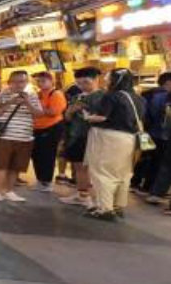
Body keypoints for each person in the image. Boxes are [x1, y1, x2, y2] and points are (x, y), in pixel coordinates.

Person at [82, 68, 145, 221]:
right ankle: (117, 206)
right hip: (129, 140)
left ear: (116, 80)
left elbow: (102, 117)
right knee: (123, 174)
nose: (105, 80)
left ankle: (105, 209)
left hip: (108, 139)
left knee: (102, 173)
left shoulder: (112, 96)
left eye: (108, 77)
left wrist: (87, 116)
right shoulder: (138, 98)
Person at [0, 71, 44, 202]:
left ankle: (9, 191)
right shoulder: (2, 95)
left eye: (22, 81)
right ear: (9, 82)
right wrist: (10, 102)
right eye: (15, 81)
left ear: (27, 83)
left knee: (15, 166)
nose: (18, 84)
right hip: (4, 136)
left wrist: (27, 102)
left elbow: (39, 114)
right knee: (0, 165)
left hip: (24, 136)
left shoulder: (32, 96)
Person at [59, 68, 105, 208]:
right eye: (79, 83)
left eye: (86, 82)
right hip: (75, 136)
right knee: (79, 167)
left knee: (91, 168)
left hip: (94, 136)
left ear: (96, 79)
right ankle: (82, 195)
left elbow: (106, 118)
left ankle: (92, 198)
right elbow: (67, 118)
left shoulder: (104, 97)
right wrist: (70, 111)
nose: (82, 86)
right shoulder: (76, 97)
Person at [30, 71, 68, 192]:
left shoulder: (56, 94)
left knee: (47, 155)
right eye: (38, 81)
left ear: (51, 82)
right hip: (37, 128)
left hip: (51, 128)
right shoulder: (38, 94)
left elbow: (53, 112)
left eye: (43, 81)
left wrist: (37, 109)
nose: (40, 83)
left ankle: (46, 182)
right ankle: (40, 180)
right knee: (36, 155)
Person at [139, 72, 171, 202]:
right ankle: (153, 190)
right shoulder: (161, 97)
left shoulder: (152, 95)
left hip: (149, 133)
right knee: (160, 163)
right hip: (161, 135)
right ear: (167, 83)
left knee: (148, 159)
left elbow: (147, 115)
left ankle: (146, 188)